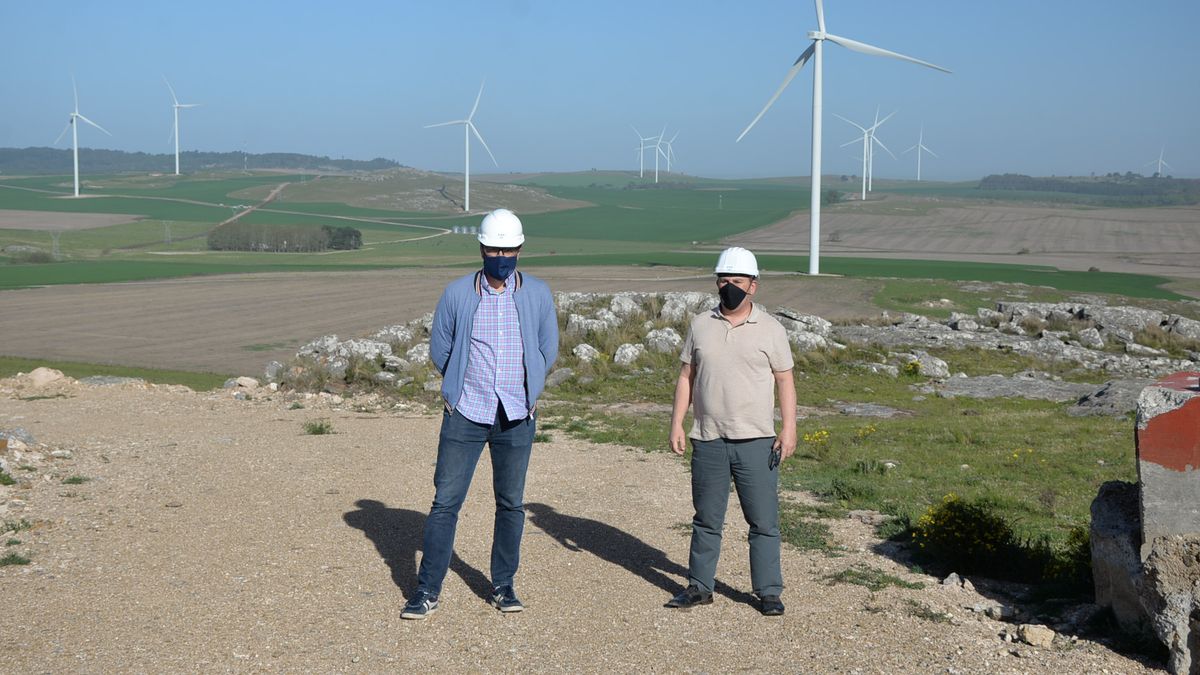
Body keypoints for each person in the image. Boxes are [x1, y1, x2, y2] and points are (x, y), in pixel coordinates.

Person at [401, 208, 559, 620]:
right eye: (494, 249)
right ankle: (426, 590)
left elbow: (547, 348)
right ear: (482, 249)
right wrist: (459, 383)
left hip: (517, 414)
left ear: (520, 250)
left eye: (508, 249)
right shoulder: (457, 293)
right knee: (445, 503)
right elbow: (441, 348)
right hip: (466, 413)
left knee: (510, 504)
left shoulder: (538, 294)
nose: (501, 256)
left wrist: (531, 387)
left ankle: (504, 585)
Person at [665, 246, 797, 617]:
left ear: (753, 286)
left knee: (764, 521)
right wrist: (677, 421)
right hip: (708, 438)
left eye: (736, 281)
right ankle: (699, 586)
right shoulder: (699, 325)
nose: (728, 287)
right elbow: (686, 376)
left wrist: (789, 429)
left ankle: (768, 592)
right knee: (707, 518)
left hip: (756, 441)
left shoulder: (772, 329)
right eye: (723, 280)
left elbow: (785, 381)